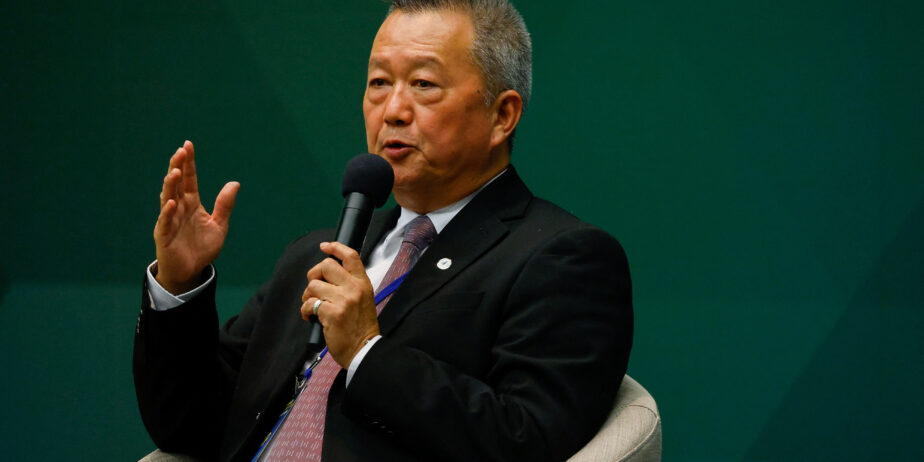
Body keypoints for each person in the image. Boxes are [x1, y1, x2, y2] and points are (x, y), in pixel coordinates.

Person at [134, 1, 633, 461]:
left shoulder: (562, 258)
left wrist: (367, 353)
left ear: (502, 115)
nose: (392, 110)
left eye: (423, 84)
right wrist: (180, 285)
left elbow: (526, 440)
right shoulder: (316, 254)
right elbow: (189, 426)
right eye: (378, 83)